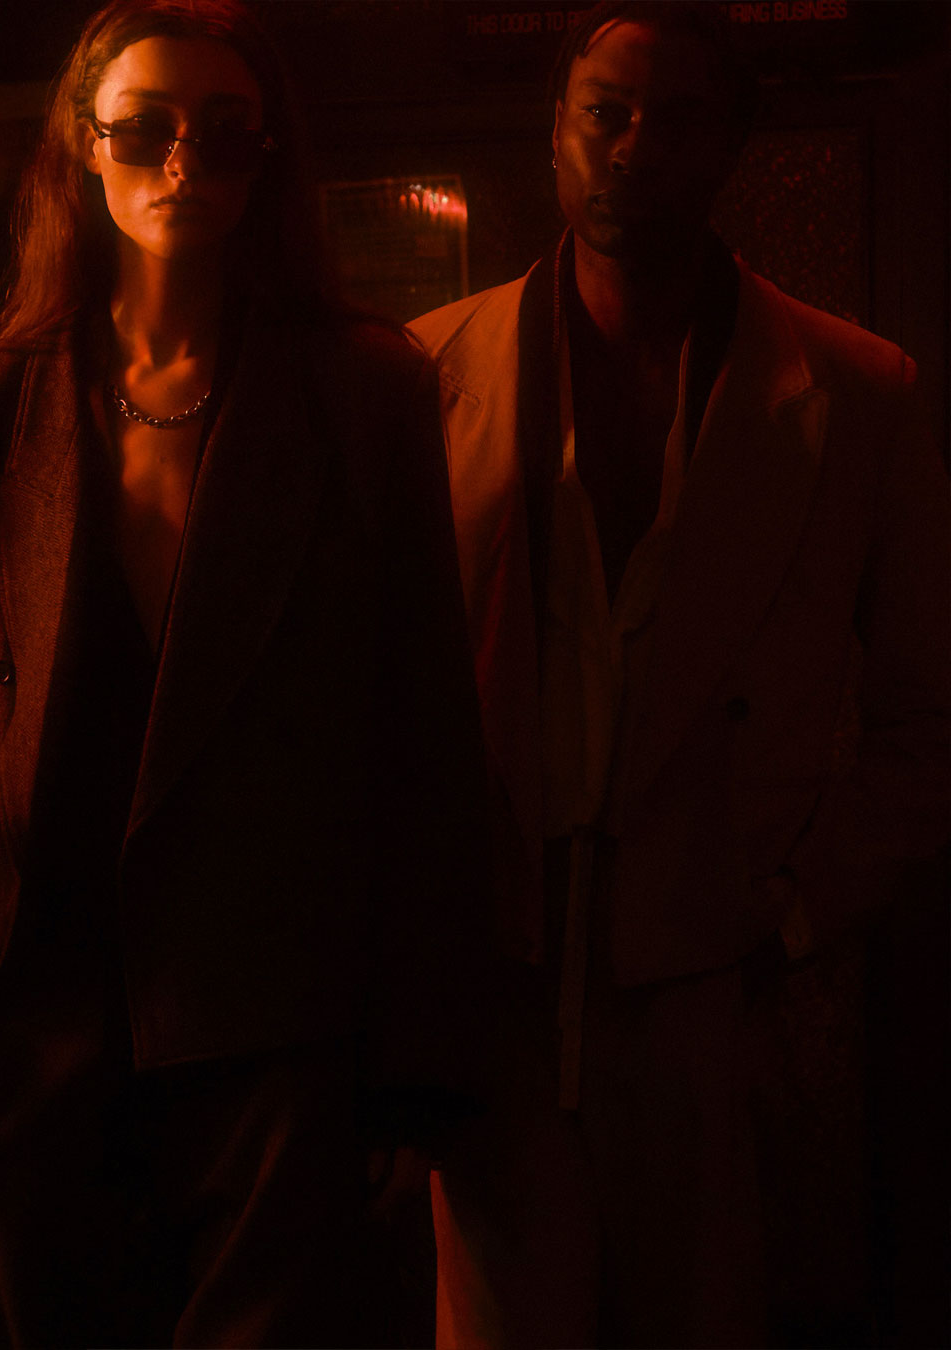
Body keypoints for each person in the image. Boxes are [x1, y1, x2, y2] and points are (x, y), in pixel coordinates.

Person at [0, 2, 493, 1345]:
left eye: (221, 132)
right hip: (28, 1030)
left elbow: (425, 736)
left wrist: (417, 1069)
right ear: (80, 146)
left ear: (267, 155)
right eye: (143, 130)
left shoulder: (361, 395)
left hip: (279, 1025)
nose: (180, 165)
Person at [410, 3, 950, 1346]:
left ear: (733, 147)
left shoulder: (857, 392)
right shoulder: (424, 373)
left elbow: (931, 713)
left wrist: (795, 912)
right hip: (493, 969)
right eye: (606, 111)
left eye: (678, 118)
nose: (634, 148)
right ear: (554, 129)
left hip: (712, 967)